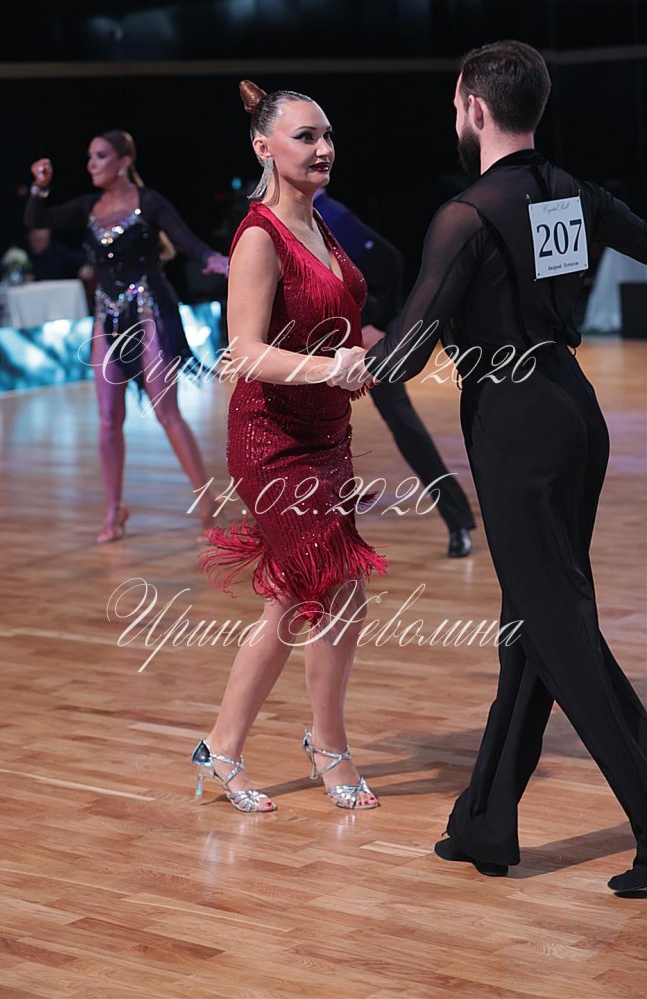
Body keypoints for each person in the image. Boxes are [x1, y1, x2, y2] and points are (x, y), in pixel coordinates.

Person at [328, 40, 647, 893]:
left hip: (517, 426)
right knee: (531, 624)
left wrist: (349, 357)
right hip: (574, 410)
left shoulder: (465, 215)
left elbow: (407, 351)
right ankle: (485, 819)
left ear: (473, 106)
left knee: (557, 624)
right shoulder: (572, 193)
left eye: (454, 103)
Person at [194, 80, 386, 813]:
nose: (324, 147)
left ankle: (221, 748)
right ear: (263, 147)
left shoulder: (320, 224)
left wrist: (367, 351)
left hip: (327, 434)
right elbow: (241, 351)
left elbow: (329, 320)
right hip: (271, 439)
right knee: (339, 592)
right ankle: (329, 745)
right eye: (306, 136)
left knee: (291, 598)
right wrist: (328, 368)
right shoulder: (259, 235)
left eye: (327, 134)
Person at [25, 130, 228, 543]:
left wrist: (214, 260)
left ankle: (207, 504)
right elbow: (36, 220)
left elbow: (187, 241)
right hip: (108, 316)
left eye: (100, 156)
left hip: (150, 310)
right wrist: (39, 188)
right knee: (107, 418)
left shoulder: (149, 202)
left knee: (166, 411)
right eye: (89, 157)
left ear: (123, 162)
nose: (91, 164)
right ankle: (114, 511)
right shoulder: (88, 207)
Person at [313, 187, 476, 556]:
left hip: (356, 345)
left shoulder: (331, 213)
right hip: (312, 346)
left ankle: (457, 519)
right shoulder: (285, 218)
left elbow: (390, 262)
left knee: (404, 426)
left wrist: (375, 321)